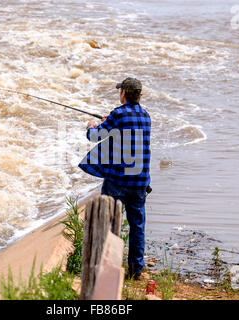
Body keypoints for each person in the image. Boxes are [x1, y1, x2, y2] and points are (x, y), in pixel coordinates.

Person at [78, 77, 151, 280]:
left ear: (124, 94)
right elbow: (127, 133)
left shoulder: (118, 114)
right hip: (139, 181)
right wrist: (108, 121)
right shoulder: (146, 116)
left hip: (118, 181)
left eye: (120, 91)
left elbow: (95, 136)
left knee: (109, 222)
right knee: (137, 225)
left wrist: (91, 125)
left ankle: (109, 268)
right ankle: (136, 269)